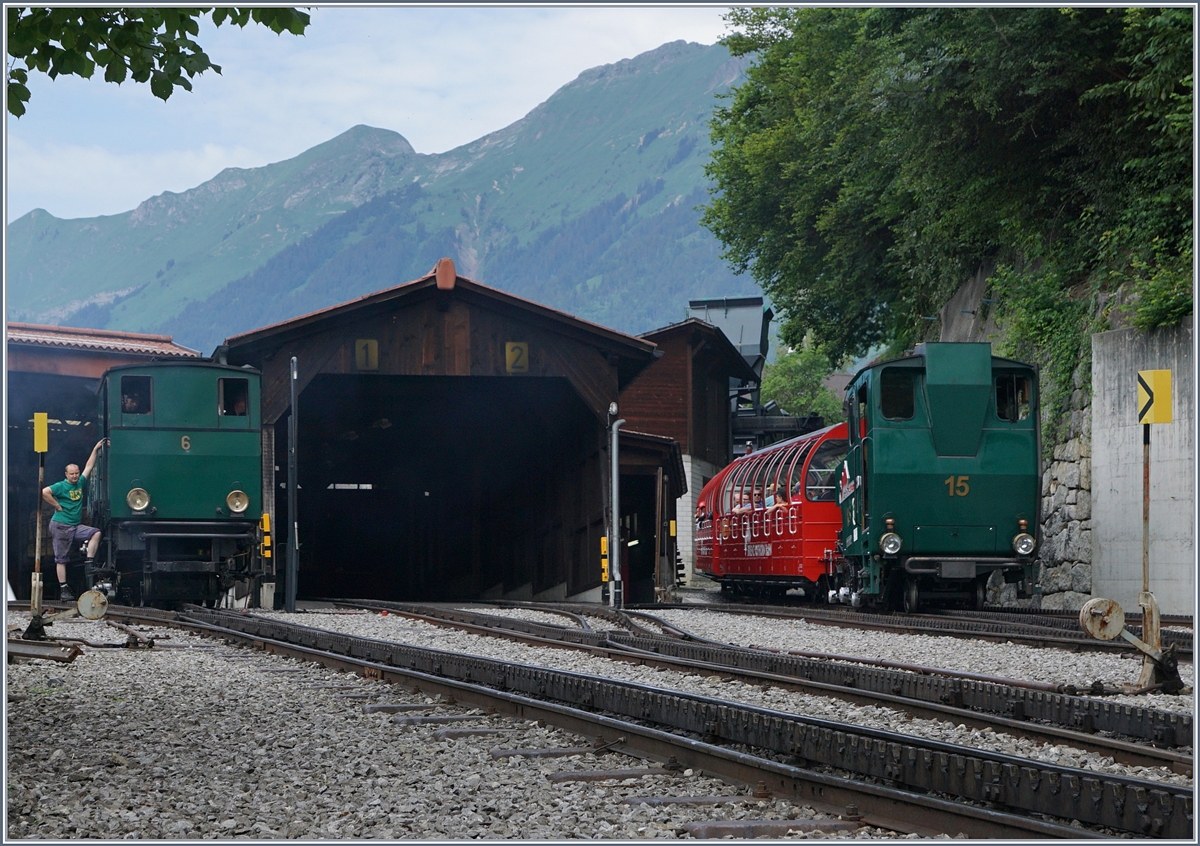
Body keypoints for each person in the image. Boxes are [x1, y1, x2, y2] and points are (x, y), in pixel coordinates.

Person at [42, 440, 106, 601]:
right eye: (72, 474)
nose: (75, 475)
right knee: (61, 559)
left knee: (96, 533)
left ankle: (89, 562)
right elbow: (44, 492)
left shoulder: (80, 482)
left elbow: (89, 466)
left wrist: (95, 449)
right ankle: (64, 589)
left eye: (76, 473)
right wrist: (57, 505)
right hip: (61, 525)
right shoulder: (61, 486)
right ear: (66, 474)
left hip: (75, 526)